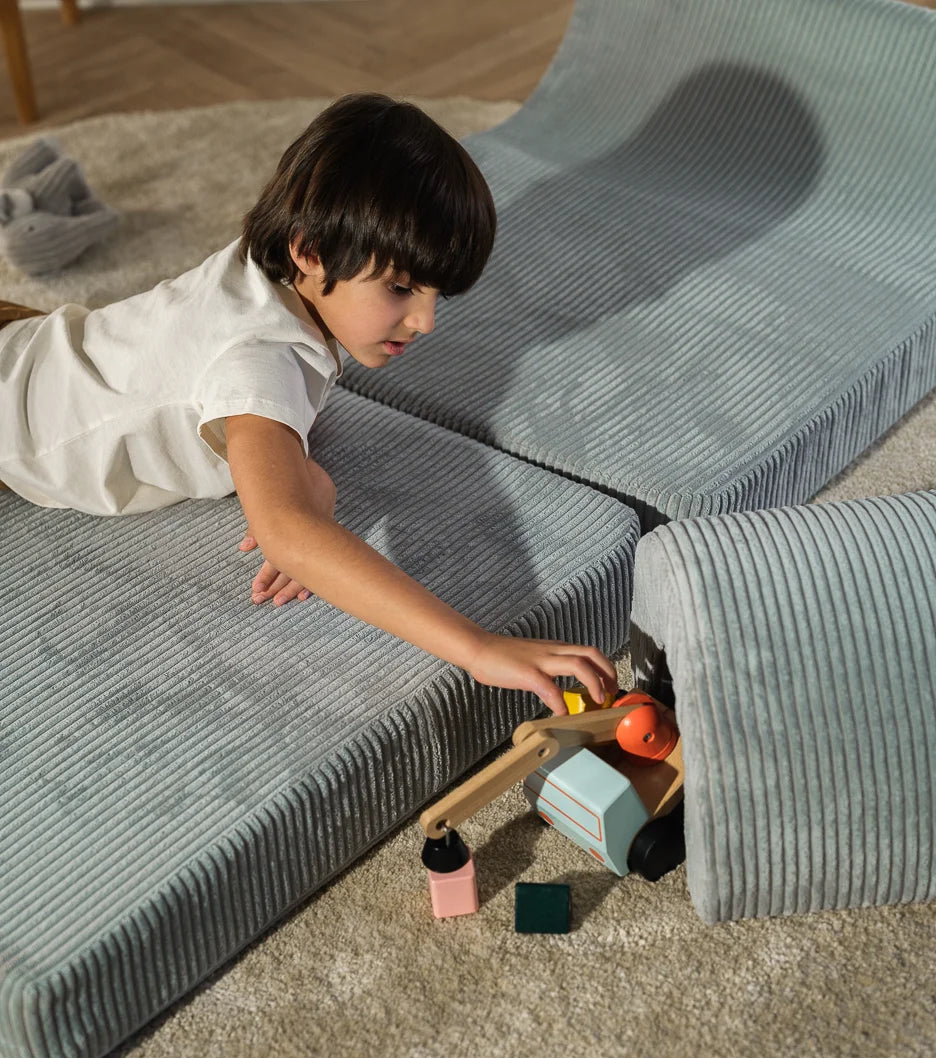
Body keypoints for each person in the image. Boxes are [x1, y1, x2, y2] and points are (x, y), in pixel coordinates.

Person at [0, 93, 616, 715]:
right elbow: (288, 532)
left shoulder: (274, 273)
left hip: (35, 348)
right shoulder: (260, 360)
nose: (425, 321)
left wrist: (307, 480)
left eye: (436, 296)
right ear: (310, 250)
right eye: (401, 288)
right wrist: (478, 648)